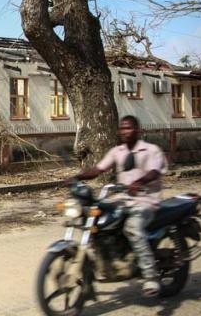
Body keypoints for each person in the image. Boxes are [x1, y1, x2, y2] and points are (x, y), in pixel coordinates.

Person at [70, 115, 168, 297]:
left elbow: (154, 172)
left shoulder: (151, 150)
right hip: (123, 200)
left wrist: (140, 181)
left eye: (129, 128)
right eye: (122, 128)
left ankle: (150, 276)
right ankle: (108, 264)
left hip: (146, 201)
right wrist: (77, 177)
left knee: (132, 228)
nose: (125, 131)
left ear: (138, 130)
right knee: (98, 223)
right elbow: (99, 169)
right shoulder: (117, 151)